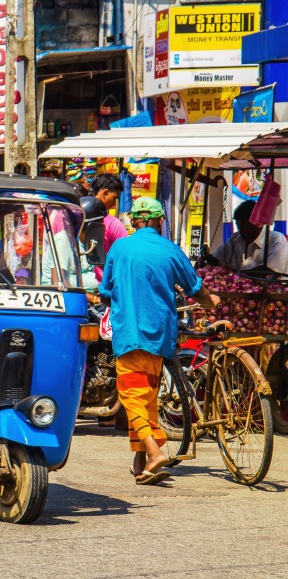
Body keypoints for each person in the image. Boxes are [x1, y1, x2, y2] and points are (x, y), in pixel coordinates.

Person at [97, 197, 220, 485]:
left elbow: (105, 292)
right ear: (159, 221)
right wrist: (212, 302)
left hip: (129, 333)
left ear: (135, 221)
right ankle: (141, 464)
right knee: (147, 395)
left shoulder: (120, 247)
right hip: (160, 334)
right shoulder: (170, 249)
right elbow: (196, 290)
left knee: (132, 396)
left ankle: (153, 452)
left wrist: (118, 294)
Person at [206, 200, 288, 274]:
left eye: (245, 227)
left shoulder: (277, 240)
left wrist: (239, 275)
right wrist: (209, 260)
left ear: (257, 224)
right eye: (238, 227)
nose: (241, 231)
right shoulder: (235, 239)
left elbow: (271, 272)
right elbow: (218, 258)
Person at [89, 173, 128, 280]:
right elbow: (124, 256)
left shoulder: (73, 216)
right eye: (114, 198)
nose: (114, 205)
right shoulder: (113, 224)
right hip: (103, 285)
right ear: (105, 193)